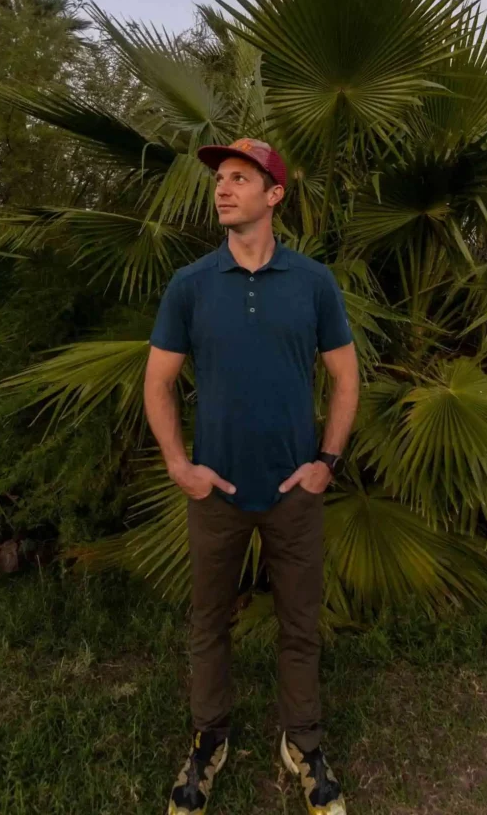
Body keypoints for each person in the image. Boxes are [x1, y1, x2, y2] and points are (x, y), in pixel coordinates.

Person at [144, 137, 360, 815]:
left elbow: (346, 379)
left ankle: (302, 743)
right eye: (219, 178)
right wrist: (182, 466)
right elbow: (157, 383)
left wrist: (324, 463)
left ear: (274, 196)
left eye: (240, 178)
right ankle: (209, 739)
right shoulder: (191, 285)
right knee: (208, 620)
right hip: (217, 494)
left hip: (294, 493)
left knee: (299, 622)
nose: (222, 188)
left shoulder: (313, 283)